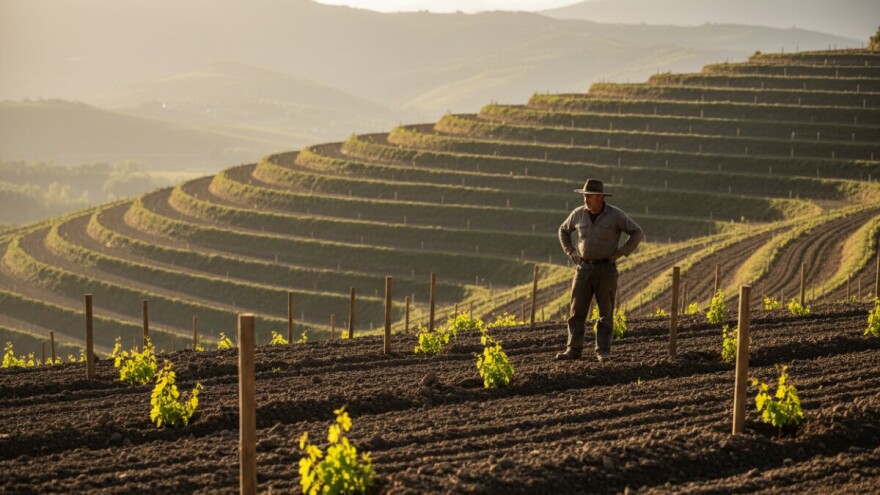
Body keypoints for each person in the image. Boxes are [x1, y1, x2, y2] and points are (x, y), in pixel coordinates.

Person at [556, 179, 643, 362]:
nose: (586, 199)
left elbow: (637, 232)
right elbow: (563, 231)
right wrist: (571, 251)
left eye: (589, 196)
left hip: (606, 269)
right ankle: (573, 350)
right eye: (585, 196)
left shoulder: (616, 215)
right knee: (576, 311)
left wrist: (621, 252)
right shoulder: (578, 214)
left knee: (605, 312)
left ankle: (603, 351)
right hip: (583, 268)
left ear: (600, 197)